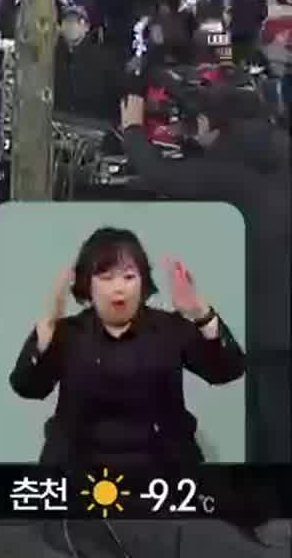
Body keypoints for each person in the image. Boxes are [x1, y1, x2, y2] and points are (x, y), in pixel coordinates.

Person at [119, 88, 291, 467]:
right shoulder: (277, 155)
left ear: (209, 124)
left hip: (264, 321)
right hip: (280, 315)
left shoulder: (230, 171)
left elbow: (163, 176)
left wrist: (133, 130)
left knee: (265, 423)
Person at [11, 229, 243, 467]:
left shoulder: (170, 328)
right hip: (80, 471)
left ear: (143, 283)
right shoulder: (66, 332)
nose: (118, 287)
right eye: (106, 278)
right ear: (87, 285)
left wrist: (201, 313)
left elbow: (227, 370)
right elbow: (28, 387)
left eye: (129, 277)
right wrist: (46, 331)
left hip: (162, 472)